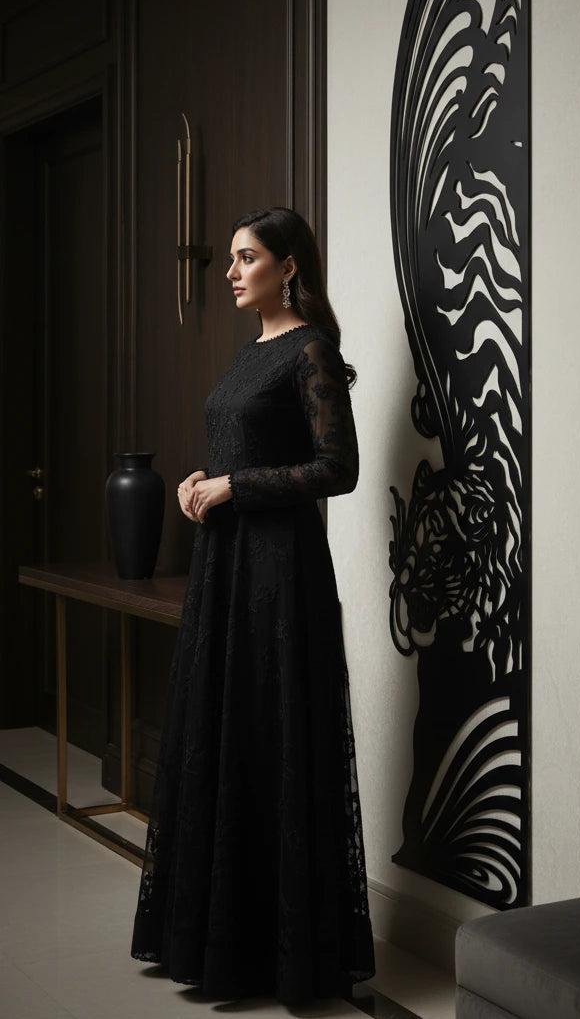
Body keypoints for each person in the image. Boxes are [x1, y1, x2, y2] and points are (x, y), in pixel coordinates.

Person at [131, 207, 375, 1003]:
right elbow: (243, 447)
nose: (231, 272)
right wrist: (203, 482)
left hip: (280, 574)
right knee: (223, 727)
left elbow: (338, 469)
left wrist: (237, 486)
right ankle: (214, 943)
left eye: (246, 258)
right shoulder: (251, 352)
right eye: (231, 259)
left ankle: (281, 955)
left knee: (271, 733)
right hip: (226, 566)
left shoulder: (313, 351)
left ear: (288, 266)